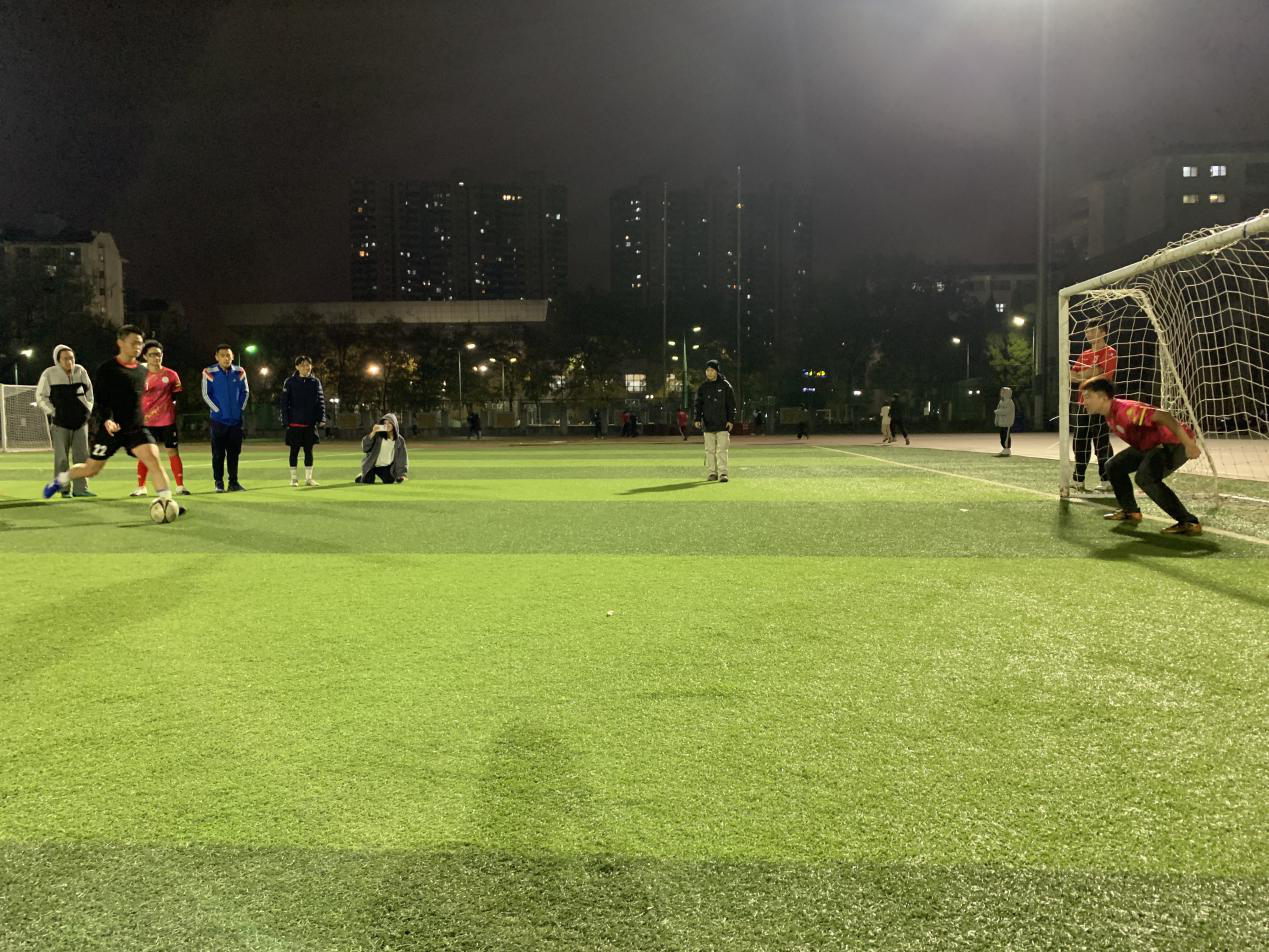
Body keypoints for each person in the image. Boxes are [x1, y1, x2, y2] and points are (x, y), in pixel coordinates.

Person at [41, 324, 181, 516]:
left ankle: (167, 503)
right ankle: (60, 480)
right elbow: (100, 400)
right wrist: (107, 419)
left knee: (153, 458)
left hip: (136, 428)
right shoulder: (108, 369)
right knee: (91, 469)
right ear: (120, 343)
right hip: (111, 430)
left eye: (140, 343)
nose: (138, 347)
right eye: (133, 343)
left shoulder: (142, 371)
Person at [1081, 378, 1202, 535]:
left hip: (1174, 443)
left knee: (1146, 478)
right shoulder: (1109, 413)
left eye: (1088, 397)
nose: (1084, 402)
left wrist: (1189, 444)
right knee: (1114, 466)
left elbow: (1164, 416)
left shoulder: (1127, 411)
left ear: (1103, 397)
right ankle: (1131, 511)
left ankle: (1189, 522)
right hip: (1153, 445)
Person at [34, 344, 95, 497]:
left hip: (80, 423)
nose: (70, 361)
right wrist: (54, 412)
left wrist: (87, 411)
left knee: (82, 457)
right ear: (58, 360)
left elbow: (90, 394)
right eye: (65, 359)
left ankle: (81, 489)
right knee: (61, 459)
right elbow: (40, 397)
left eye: (72, 358)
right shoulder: (49, 374)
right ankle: (63, 489)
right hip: (60, 424)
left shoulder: (81, 371)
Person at [131, 340, 189, 496]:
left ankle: (180, 486)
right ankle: (141, 487)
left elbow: (176, 395)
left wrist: (169, 407)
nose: (156, 358)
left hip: (167, 420)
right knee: (145, 453)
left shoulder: (171, 375)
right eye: (152, 355)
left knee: (172, 451)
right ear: (145, 356)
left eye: (158, 354)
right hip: (146, 422)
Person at [1070, 319, 1117, 490]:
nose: (1088, 334)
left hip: (1100, 405)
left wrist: (1083, 374)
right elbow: (1072, 376)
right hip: (1083, 404)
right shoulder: (1085, 354)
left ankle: (1107, 480)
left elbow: (1102, 376)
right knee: (1079, 441)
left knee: (1101, 443)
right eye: (1087, 331)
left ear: (1103, 333)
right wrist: (1092, 371)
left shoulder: (1110, 352)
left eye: (1093, 330)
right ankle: (1078, 480)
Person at [202, 344, 250, 492]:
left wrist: (239, 410)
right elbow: (206, 394)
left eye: (228, 355)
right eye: (222, 355)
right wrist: (217, 411)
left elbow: (245, 392)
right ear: (216, 357)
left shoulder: (240, 372)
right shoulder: (209, 372)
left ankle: (233, 483)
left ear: (232, 356)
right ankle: (219, 483)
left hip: (236, 421)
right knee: (218, 454)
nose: (226, 358)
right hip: (218, 421)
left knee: (234, 454)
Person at [280, 355, 326, 487]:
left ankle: (308, 479)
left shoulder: (315, 382)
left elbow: (320, 401)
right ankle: (294, 479)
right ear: (297, 367)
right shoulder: (290, 382)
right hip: (294, 423)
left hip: (310, 423)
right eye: (303, 365)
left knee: (309, 451)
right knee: (294, 451)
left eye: (308, 365)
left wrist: (322, 418)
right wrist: (285, 420)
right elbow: (284, 402)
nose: (306, 367)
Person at [693, 358, 736, 482]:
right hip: (707, 423)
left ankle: (723, 474)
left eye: (712, 370)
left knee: (722, 450)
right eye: (707, 370)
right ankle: (712, 473)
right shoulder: (703, 387)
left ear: (717, 371)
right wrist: (697, 418)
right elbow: (698, 404)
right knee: (709, 451)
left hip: (723, 423)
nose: (709, 372)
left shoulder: (725, 385)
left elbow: (731, 404)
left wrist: (731, 420)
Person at [356, 413, 409, 483]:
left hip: (386, 466)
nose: (387, 425)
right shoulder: (377, 435)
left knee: (389, 481)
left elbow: (402, 457)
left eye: (389, 423)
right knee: (368, 481)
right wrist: (373, 432)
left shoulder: (400, 440)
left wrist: (401, 474)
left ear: (394, 424)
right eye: (385, 423)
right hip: (372, 465)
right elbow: (365, 448)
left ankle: (389, 475)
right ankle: (362, 476)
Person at [993, 386, 1016, 457]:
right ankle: (1004, 449)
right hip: (1002, 423)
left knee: (1006, 436)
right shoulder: (1001, 401)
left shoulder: (1009, 402)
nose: (1001, 393)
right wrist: (996, 421)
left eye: (1003, 392)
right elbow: (999, 411)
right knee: (1002, 436)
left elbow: (1006, 411)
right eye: (1001, 392)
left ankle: (1007, 449)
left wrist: (998, 411)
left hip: (1007, 423)